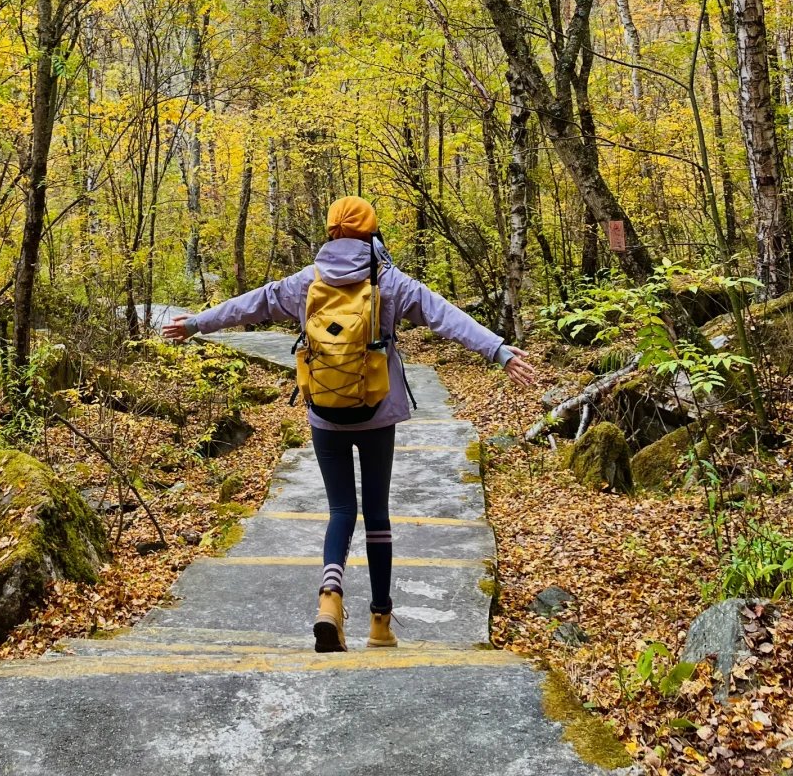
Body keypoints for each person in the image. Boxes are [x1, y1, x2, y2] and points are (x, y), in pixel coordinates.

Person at [164, 195, 536, 652]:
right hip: (378, 413)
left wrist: (197, 323)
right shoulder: (390, 281)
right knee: (376, 515)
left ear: (331, 232)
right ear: (372, 232)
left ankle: (329, 600)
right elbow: (445, 316)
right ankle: (380, 624)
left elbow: (254, 305)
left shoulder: (307, 281)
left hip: (324, 413)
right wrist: (498, 350)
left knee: (341, 511)